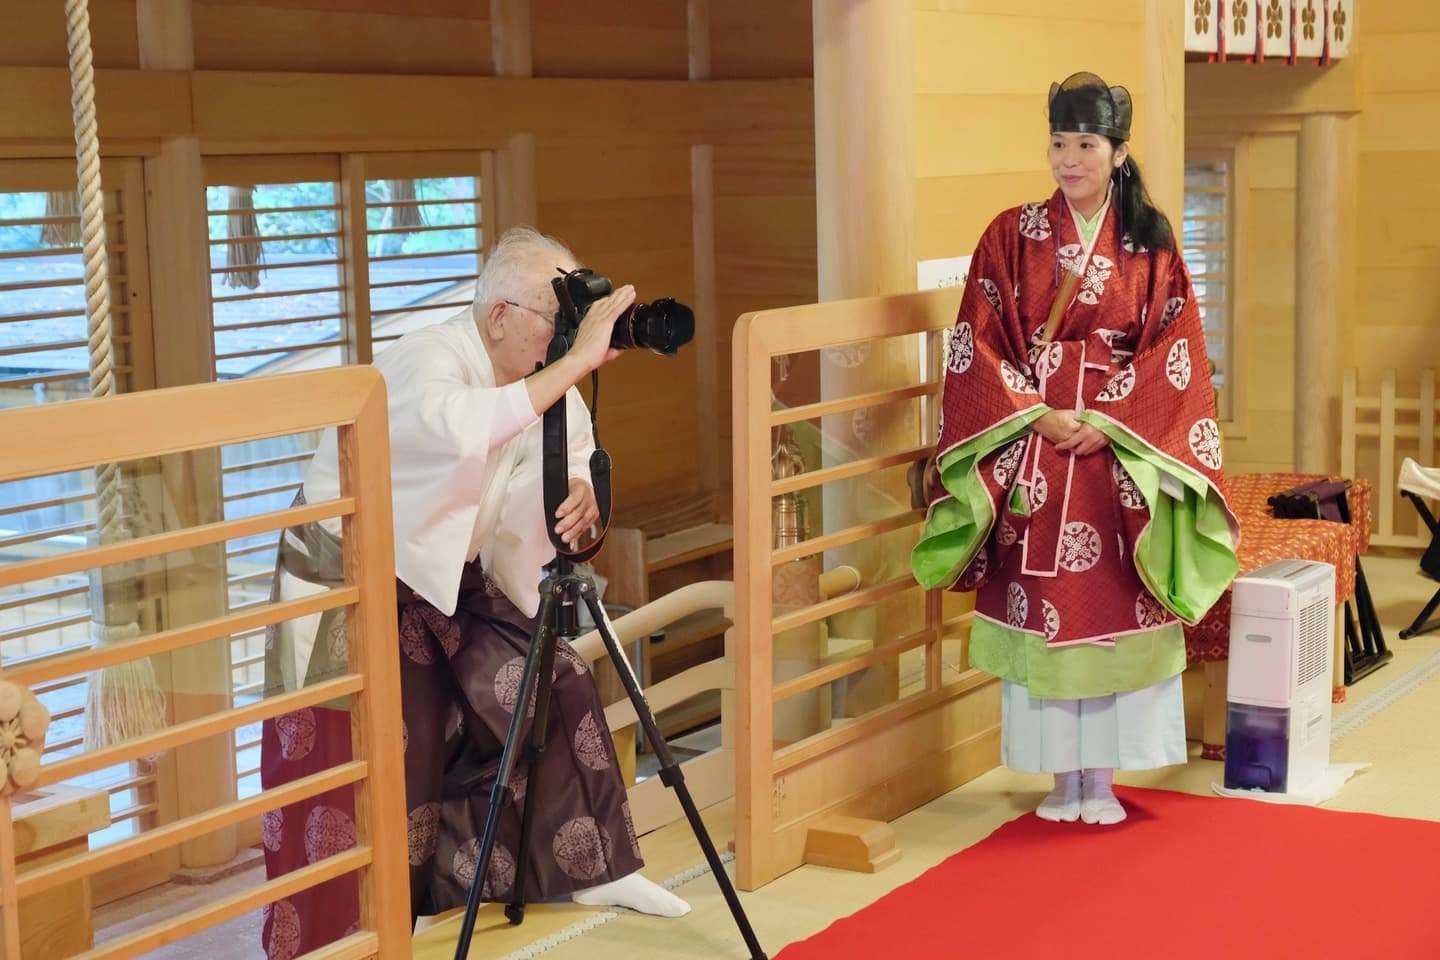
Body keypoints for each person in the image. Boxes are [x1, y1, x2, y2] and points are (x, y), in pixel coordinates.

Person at [258, 226, 688, 959]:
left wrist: (579, 492)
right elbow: (460, 430)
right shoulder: (427, 359)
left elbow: (565, 457)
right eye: (558, 324)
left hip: (449, 576)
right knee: (379, 755)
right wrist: (578, 362)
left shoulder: (540, 371)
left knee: (553, 677)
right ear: (499, 316)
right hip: (349, 587)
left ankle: (594, 869)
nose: (566, 341)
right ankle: (339, 941)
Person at [911, 73, 1240, 826]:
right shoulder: (1010, 233)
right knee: (1047, 613)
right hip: (1040, 450)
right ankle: (1063, 779)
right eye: (1059, 143)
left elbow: (1175, 352)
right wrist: (1035, 413)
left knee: (1116, 606)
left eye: (1086, 144)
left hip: (1117, 459)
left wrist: (1112, 418)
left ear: (1118, 153)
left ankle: (1105, 777)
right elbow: (979, 341)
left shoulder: (1151, 245)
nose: (1069, 159)